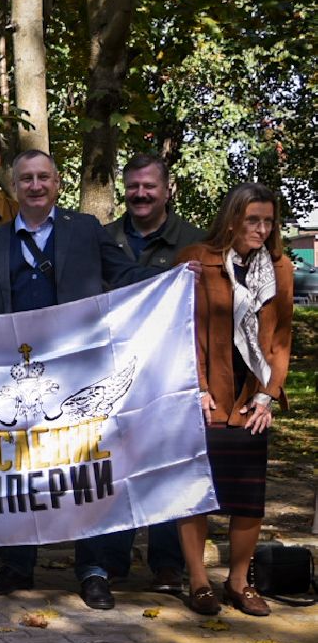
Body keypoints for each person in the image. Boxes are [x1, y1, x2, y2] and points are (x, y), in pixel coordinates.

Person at [0, 150, 153, 610]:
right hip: (16, 377)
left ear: (57, 182)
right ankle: (16, 564)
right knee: (18, 470)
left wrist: (175, 276)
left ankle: (93, 569)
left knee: (86, 469)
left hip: (77, 370)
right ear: (13, 185)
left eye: (43, 177)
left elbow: (125, 275)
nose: (35, 186)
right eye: (26, 179)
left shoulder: (85, 230)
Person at [175, 184, 292, 617]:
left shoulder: (279, 267)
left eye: (268, 222)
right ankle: (199, 582)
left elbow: (281, 338)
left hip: (251, 398)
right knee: (197, 492)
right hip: (206, 396)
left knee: (248, 496)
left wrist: (268, 395)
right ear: (231, 220)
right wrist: (197, 387)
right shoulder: (196, 259)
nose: (262, 229)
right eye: (253, 220)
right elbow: (182, 329)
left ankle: (239, 582)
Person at [102, 153, 206, 596]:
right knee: (114, 463)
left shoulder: (196, 244)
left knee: (169, 463)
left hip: (169, 374)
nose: (140, 194)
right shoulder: (103, 239)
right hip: (114, 373)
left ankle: (167, 564)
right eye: (133, 186)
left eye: (149, 186)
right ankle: (112, 559)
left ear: (167, 190)